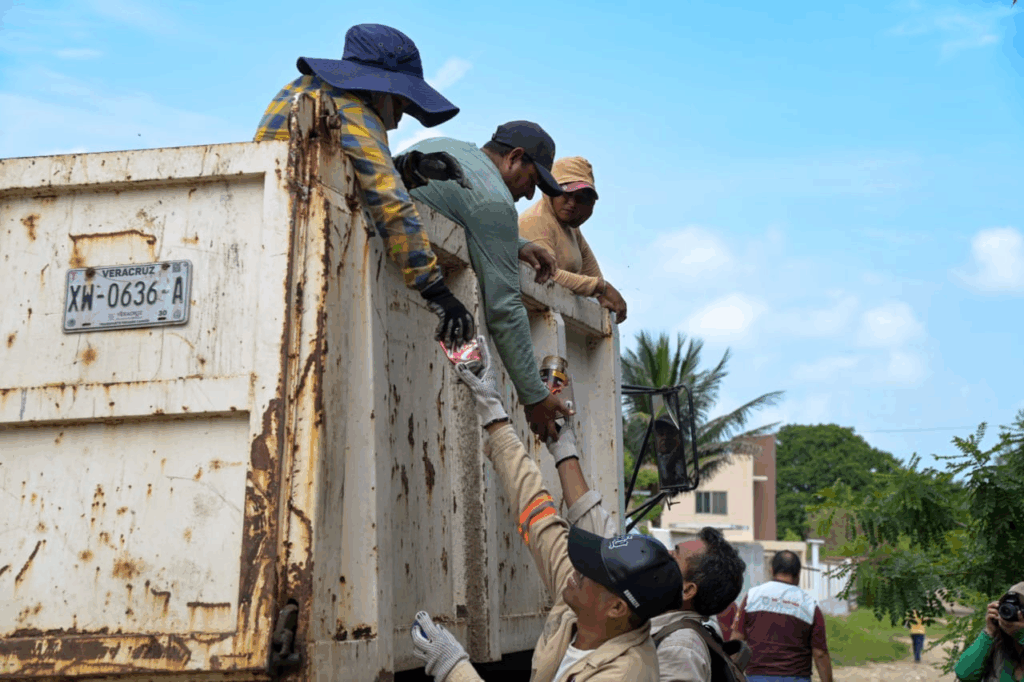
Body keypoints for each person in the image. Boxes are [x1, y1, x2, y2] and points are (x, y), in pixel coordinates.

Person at [409, 338, 683, 682]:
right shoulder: (584, 607)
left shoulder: (625, 673)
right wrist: (493, 412)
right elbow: (537, 514)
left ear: (616, 608)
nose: (575, 570)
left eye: (589, 571)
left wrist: (454, 669)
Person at [253, 24, 477, 350]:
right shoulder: (355, 110)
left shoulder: (297, 90)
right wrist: (436, 291)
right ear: (380, 90)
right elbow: (389, 199)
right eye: (401, 103)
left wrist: (412, 168)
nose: (398, 120)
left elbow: (352, 169)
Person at [540, 411, 749, 682]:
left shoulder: (681, 646)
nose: (664, 552)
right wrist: (563, 446)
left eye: (674, 555)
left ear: (687, 590)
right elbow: (593, 521)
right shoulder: (648, 606)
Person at [398, 124, 573, 441]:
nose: (529, 195)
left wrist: (515, 244)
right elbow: (505, 309)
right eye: (532, 181)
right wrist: (535, 397)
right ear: (514, 158)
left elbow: (463, 209)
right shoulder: (496, 201)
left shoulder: (449, 147)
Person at [518, 156, 628, 322]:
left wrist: (601, 293)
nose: (572, 203)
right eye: (566, 194)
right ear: (552, 191)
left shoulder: (570, 228)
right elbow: (547, 275)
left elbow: (591, 273)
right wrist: (600, 287)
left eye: (580, 198)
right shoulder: (536, 220)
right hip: (530, 317)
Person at [733, 551, 832, 682]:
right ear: (798, 574)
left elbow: (736, 639)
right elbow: (820, 654)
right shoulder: (809, 605)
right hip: (797, 678)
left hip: (756, 677)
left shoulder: (752, 597)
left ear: (771, 570)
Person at [954, 582, 1024, 681]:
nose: (1013, 612)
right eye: (1009, 606)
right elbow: (964, 673)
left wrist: (1021, 635)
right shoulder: (996, 643)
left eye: (1021, 609)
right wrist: (989, 631)